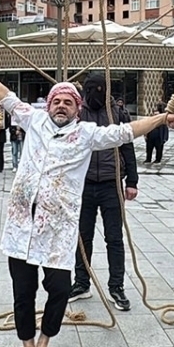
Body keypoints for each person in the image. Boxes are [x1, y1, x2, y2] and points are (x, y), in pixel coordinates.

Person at [0, 61, 174, 347]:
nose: (61, 106)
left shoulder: (86, 134)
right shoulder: (34, 120)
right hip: (22, 224)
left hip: (58, 229)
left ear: (77, 108)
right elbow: (6, 97)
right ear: (48, 105)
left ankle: (44, 345)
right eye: (57, 101)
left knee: (60, 289)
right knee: (22, 292)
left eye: (68, 102)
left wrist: (162, 117)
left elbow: (125, 132)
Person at [68, 74, 138, 311]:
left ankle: (116, 287)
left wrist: (132, 181)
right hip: (84, 184)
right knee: (82, 237)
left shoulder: (116, 113)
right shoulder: (78, 113)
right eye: (92, 90)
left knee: (114, 238)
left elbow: (127, 147)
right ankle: (81, 282)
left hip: (112, 183)